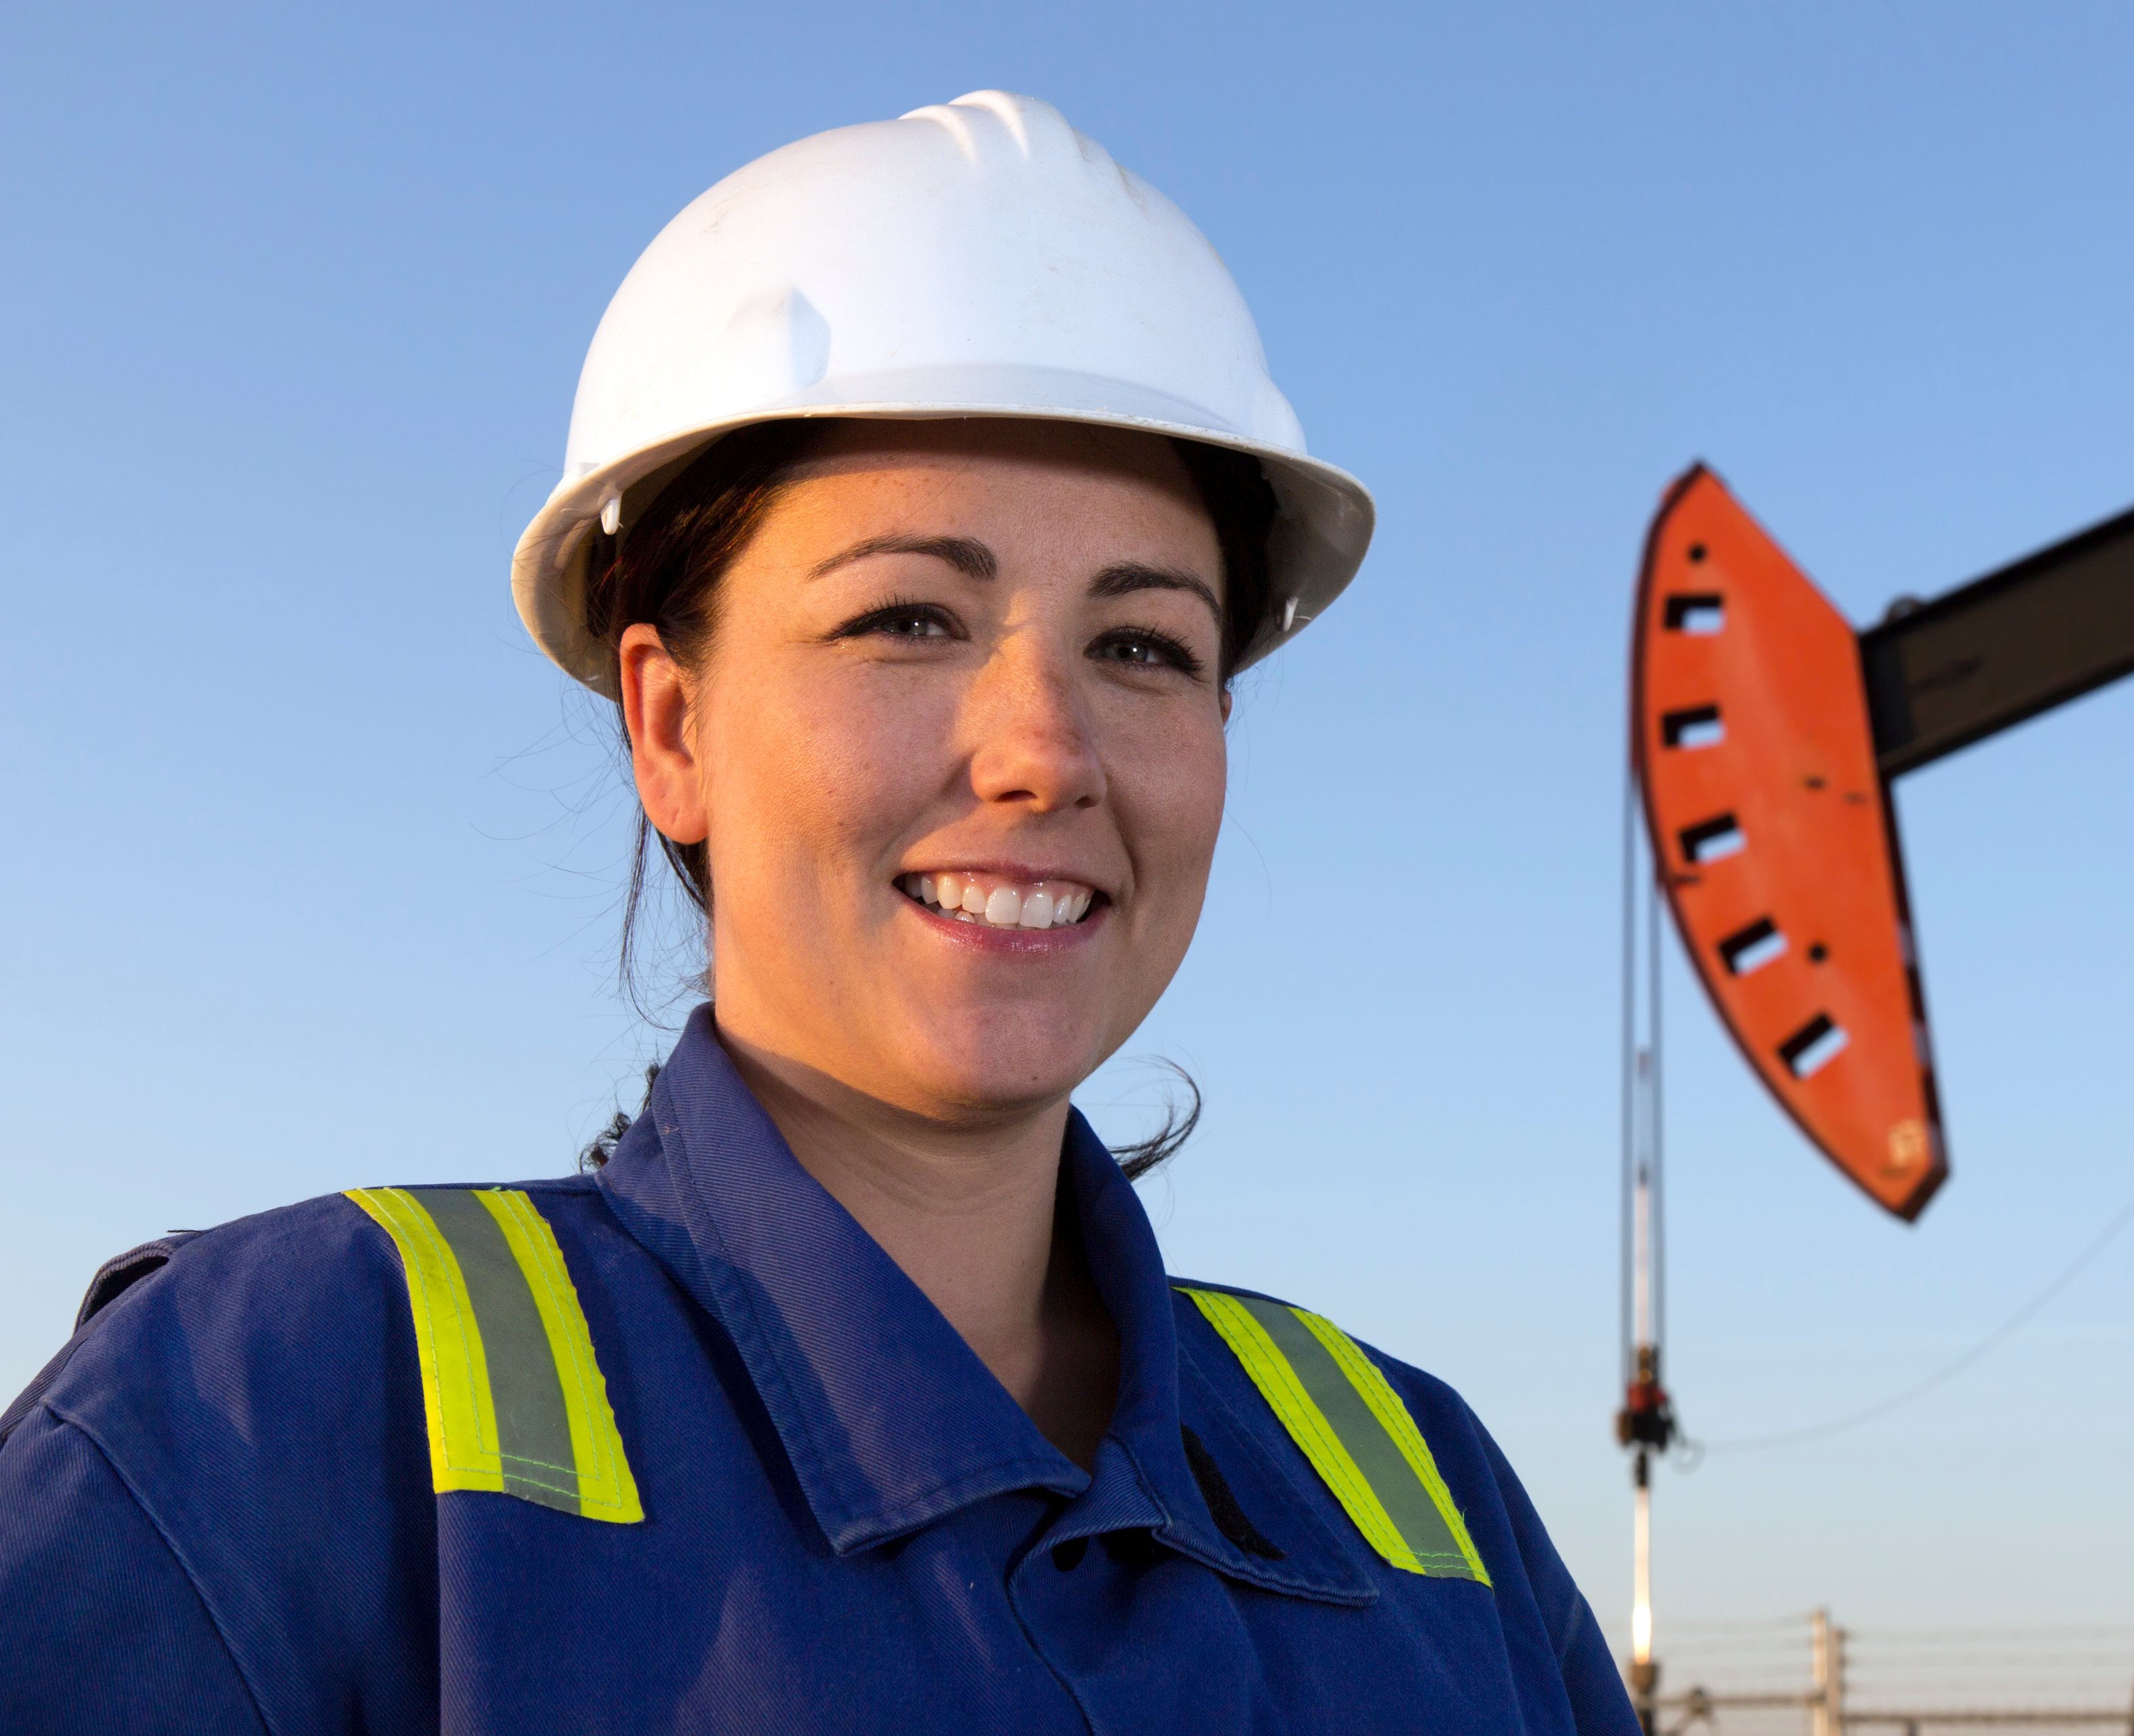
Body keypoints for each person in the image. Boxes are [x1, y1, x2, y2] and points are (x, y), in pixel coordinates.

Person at [0, 91, 1636, 1734]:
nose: (1045, 754)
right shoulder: (269, 1422)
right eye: (909, 617)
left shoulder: (1424, 1506)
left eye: (1143, 645)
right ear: (675, 725)